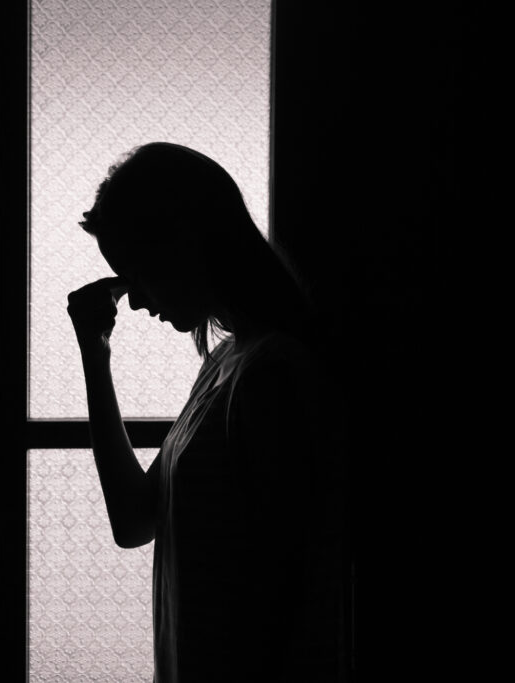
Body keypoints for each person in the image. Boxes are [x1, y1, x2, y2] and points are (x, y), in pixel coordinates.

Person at [66, 142, 347, 682]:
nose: (138, 301)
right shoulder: (227, 366)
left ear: (182, 246)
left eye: (136, 273)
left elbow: (286, 592)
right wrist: (94, 355)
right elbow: (134, 519)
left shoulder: (270, 375)